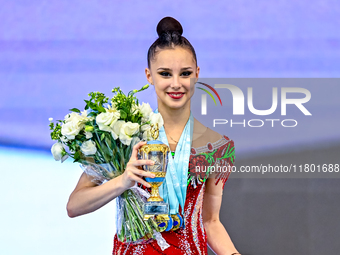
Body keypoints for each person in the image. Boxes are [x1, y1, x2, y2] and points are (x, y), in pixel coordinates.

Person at [67, 16, 240, 255]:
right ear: (149, 75)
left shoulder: (218, 147)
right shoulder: (123, 135)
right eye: (165, 74)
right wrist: (123, 180)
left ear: (197, 74)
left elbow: (211, 222)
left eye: (185, 73)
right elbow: (74, 206)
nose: (176, 84)